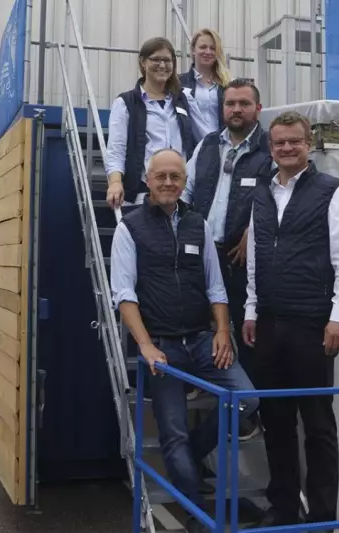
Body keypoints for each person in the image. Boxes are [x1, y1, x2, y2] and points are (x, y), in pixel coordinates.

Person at [110, 148, 259, 533]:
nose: (168, 183)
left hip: (202, 340)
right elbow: (124, 294)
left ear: (184, 181)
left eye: (175, 176)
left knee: (247, 401)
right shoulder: (130, 227)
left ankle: (191, 453)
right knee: (171, 431)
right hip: (162, 345)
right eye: (161, 176)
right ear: (147, 180)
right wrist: (144, 344)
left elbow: (215, 285)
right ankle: (197, 516)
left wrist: (223, 332)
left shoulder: (199, 224)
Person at [241, 111, 339, 529]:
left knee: (317, 425)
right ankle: (284, 508)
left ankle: (323, 516)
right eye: (279, 143)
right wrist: (251, 309)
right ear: (270, 148)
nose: (286, 148)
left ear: (308, 144)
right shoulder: (262, 193)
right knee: (276, 421)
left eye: (294, 141)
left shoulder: (333, 192)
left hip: (314, 323)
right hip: (270, 323)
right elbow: (255, 256)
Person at [181, 78, 271, 440]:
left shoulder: (270, 148)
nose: (236, 109)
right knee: (197, 326)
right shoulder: (205, 145)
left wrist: (255, 228)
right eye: (230, 103)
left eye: (244, 104)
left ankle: (248, 415)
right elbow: (186, 190)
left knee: (245, 333)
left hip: (239, 258)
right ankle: (206, 387)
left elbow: (280, 194)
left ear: (257, 109)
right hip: (202, 254)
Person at [105, 38, 197, 208]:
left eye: (167, 60)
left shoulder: (185, 100)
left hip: (179, 195)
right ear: (143, 63)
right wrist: (115, 182)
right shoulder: (126, 103)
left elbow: (201, 140)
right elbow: (116, 150)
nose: (162, 65)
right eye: (156, 59)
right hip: (142, 196)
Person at [179, 29, 231, 141]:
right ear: (193, 50)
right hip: (191, 149)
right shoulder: (179, 83)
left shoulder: (227, 85)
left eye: (213, 48)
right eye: (203, 47)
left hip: (220, 147)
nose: (208, 52)